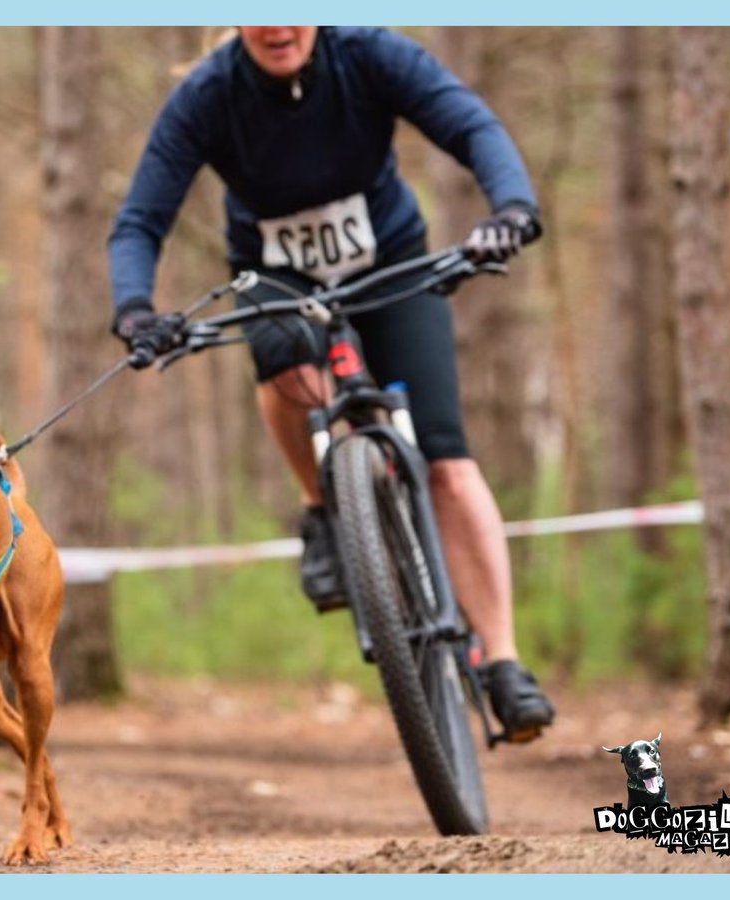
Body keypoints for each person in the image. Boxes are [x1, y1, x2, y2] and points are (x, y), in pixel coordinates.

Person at [107, 26, 554, 741]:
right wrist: (135, 309)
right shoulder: (207, 95)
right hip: (275, 276)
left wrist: (511, 207)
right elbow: (139, 221)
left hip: (392, 265)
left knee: (448, 462)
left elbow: (470, 122)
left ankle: (503, 663)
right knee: (281, 362)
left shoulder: (370, 54)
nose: (279, 27)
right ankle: (324, 504)